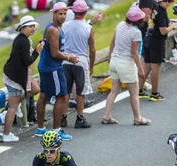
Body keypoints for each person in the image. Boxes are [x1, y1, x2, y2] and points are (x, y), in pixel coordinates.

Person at [35, 2, 79, 141]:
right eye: (60, 14)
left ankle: (41, 128)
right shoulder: (53, 30)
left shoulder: (57, 28)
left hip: (47, 66)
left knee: (44, 95)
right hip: (52, 67)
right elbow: (54, 53)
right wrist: (69, 58)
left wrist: (66, 54)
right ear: (54, 14)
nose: (63, 16)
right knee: (62, 96)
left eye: (65, 13)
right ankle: (56, 130)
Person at [102, 4, 150, 126]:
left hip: (115, 61)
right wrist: (140, 69)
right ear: (138, 20)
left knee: (114, 90)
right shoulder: (136, 32)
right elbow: (134, 53)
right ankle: (137, 118)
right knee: (134, 93)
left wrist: (110, 56)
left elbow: (113, 42)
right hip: (126, 64)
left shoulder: (120, 25)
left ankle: (106, 116)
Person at [2, 15, 43, 142]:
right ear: (23, 28)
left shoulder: (21, 39)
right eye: (30, 26)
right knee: (12, 107)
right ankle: (6, 134)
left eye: (33, 26)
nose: (33, 29)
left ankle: (18, 102)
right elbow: (28, 61)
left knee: (35, 89)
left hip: (17, 75)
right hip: (14, 77)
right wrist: (37, 51)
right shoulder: (23, 41)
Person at [60, 0, 95, 129]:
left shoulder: (64, 25)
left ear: (73, 11)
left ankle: (62, 117)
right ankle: (80, 118)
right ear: (85, 12)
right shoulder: (88, 27)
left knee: (66, 91)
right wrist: (91, 66)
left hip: (65, 60)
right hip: (81, 61)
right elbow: (92, 49)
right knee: (81, 92)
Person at [138, 0, 177, 102]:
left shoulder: (153, 8)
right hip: (157, 42)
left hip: (148, 38)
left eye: (169, 1)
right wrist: (171, 27)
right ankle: (154, 93)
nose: (167, 3)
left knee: (146, 65)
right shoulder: (162, 12)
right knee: (155, 67)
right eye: (165, 1)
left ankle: (139, 90)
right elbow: (163, 30)